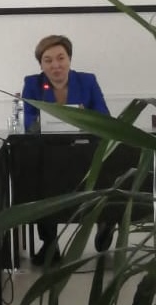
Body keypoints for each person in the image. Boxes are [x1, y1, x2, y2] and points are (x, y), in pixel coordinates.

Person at [21, 34, 114, 263]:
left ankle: (105, 221)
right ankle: (50, 243)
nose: (56, 65)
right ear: (41, 65)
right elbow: (29, 121)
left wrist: (84, 117)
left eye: (61, 58)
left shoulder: (87, 81)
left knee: (111, 163)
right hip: (50, 152)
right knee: (40, 175)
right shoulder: (32, 84)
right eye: (48, 60)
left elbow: (104, 117)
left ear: (69, 59)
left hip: (86, 151)